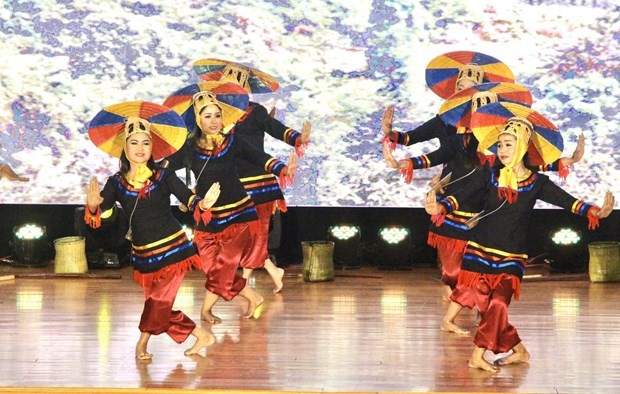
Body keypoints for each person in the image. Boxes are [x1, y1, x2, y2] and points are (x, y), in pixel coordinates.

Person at [423, 102, 615, 372]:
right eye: (499, 145)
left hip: (511, 255)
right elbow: (460, 196)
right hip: (479, 248)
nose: (501, 151)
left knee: (498, 303)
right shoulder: (490, 174)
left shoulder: (537, 183)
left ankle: (479, 354)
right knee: (489, 306)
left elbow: (570, 203)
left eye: (508, 145)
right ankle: (519, 352)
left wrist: (597, 211)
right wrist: (440, 207)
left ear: (523, 147)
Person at [383, 83, 585, 313]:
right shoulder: (459, 141)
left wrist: (564, 162)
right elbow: (434, 157)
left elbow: (527, 163)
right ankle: (458, 312)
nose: (482, 112)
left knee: (481, 277)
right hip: (452, 215)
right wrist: (402, 163)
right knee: (453, 274)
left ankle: (482, 317)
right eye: (477, 106)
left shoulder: (501, 145)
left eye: (488, 107)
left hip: (482, 220)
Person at [84, 101, 217, 360]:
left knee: (157, 304)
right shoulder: (117, 182)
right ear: (125, 147)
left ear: (152, 147)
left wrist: (203, 204)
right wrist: (93, 206)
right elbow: (104, 212)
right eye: (134, 142)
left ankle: (141, 345)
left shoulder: (163, 175)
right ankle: (201, 335)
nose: (140, 148)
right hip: (144, 255)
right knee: (157, 306)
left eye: (145, 143)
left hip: (173, 251)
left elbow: (187, 198)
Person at [165, 83, 297, 323]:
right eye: (208, 116)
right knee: (210, 268)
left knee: (224, 266)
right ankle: (250, 296)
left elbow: (261, 158)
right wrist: (190, 199)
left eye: (217, 115)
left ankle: (207, 310)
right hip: (208, 217)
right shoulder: (189, 148)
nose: (214, 120)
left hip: (239, 217)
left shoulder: (232, 142)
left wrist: (284, 169)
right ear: (198, 119)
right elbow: (165, 171)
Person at [191, 58, 311, 293]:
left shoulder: (254, 111)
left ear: (246, 86)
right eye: (230, 78)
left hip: (257, 185)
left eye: (240, 79)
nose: (234, 84)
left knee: (254, 233)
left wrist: (298, 138)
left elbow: (275, 128)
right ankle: (269, 271)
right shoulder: (213, 114)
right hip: (226, 185)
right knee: (232, 235)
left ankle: (244, 283)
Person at [382, 50, 516, 150]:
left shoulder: (494, 122)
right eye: (460, 88)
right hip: (452, 184)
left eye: (470, 89)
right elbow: (410, 138)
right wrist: (389, 132)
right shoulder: (444, 121)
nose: (464, 93)